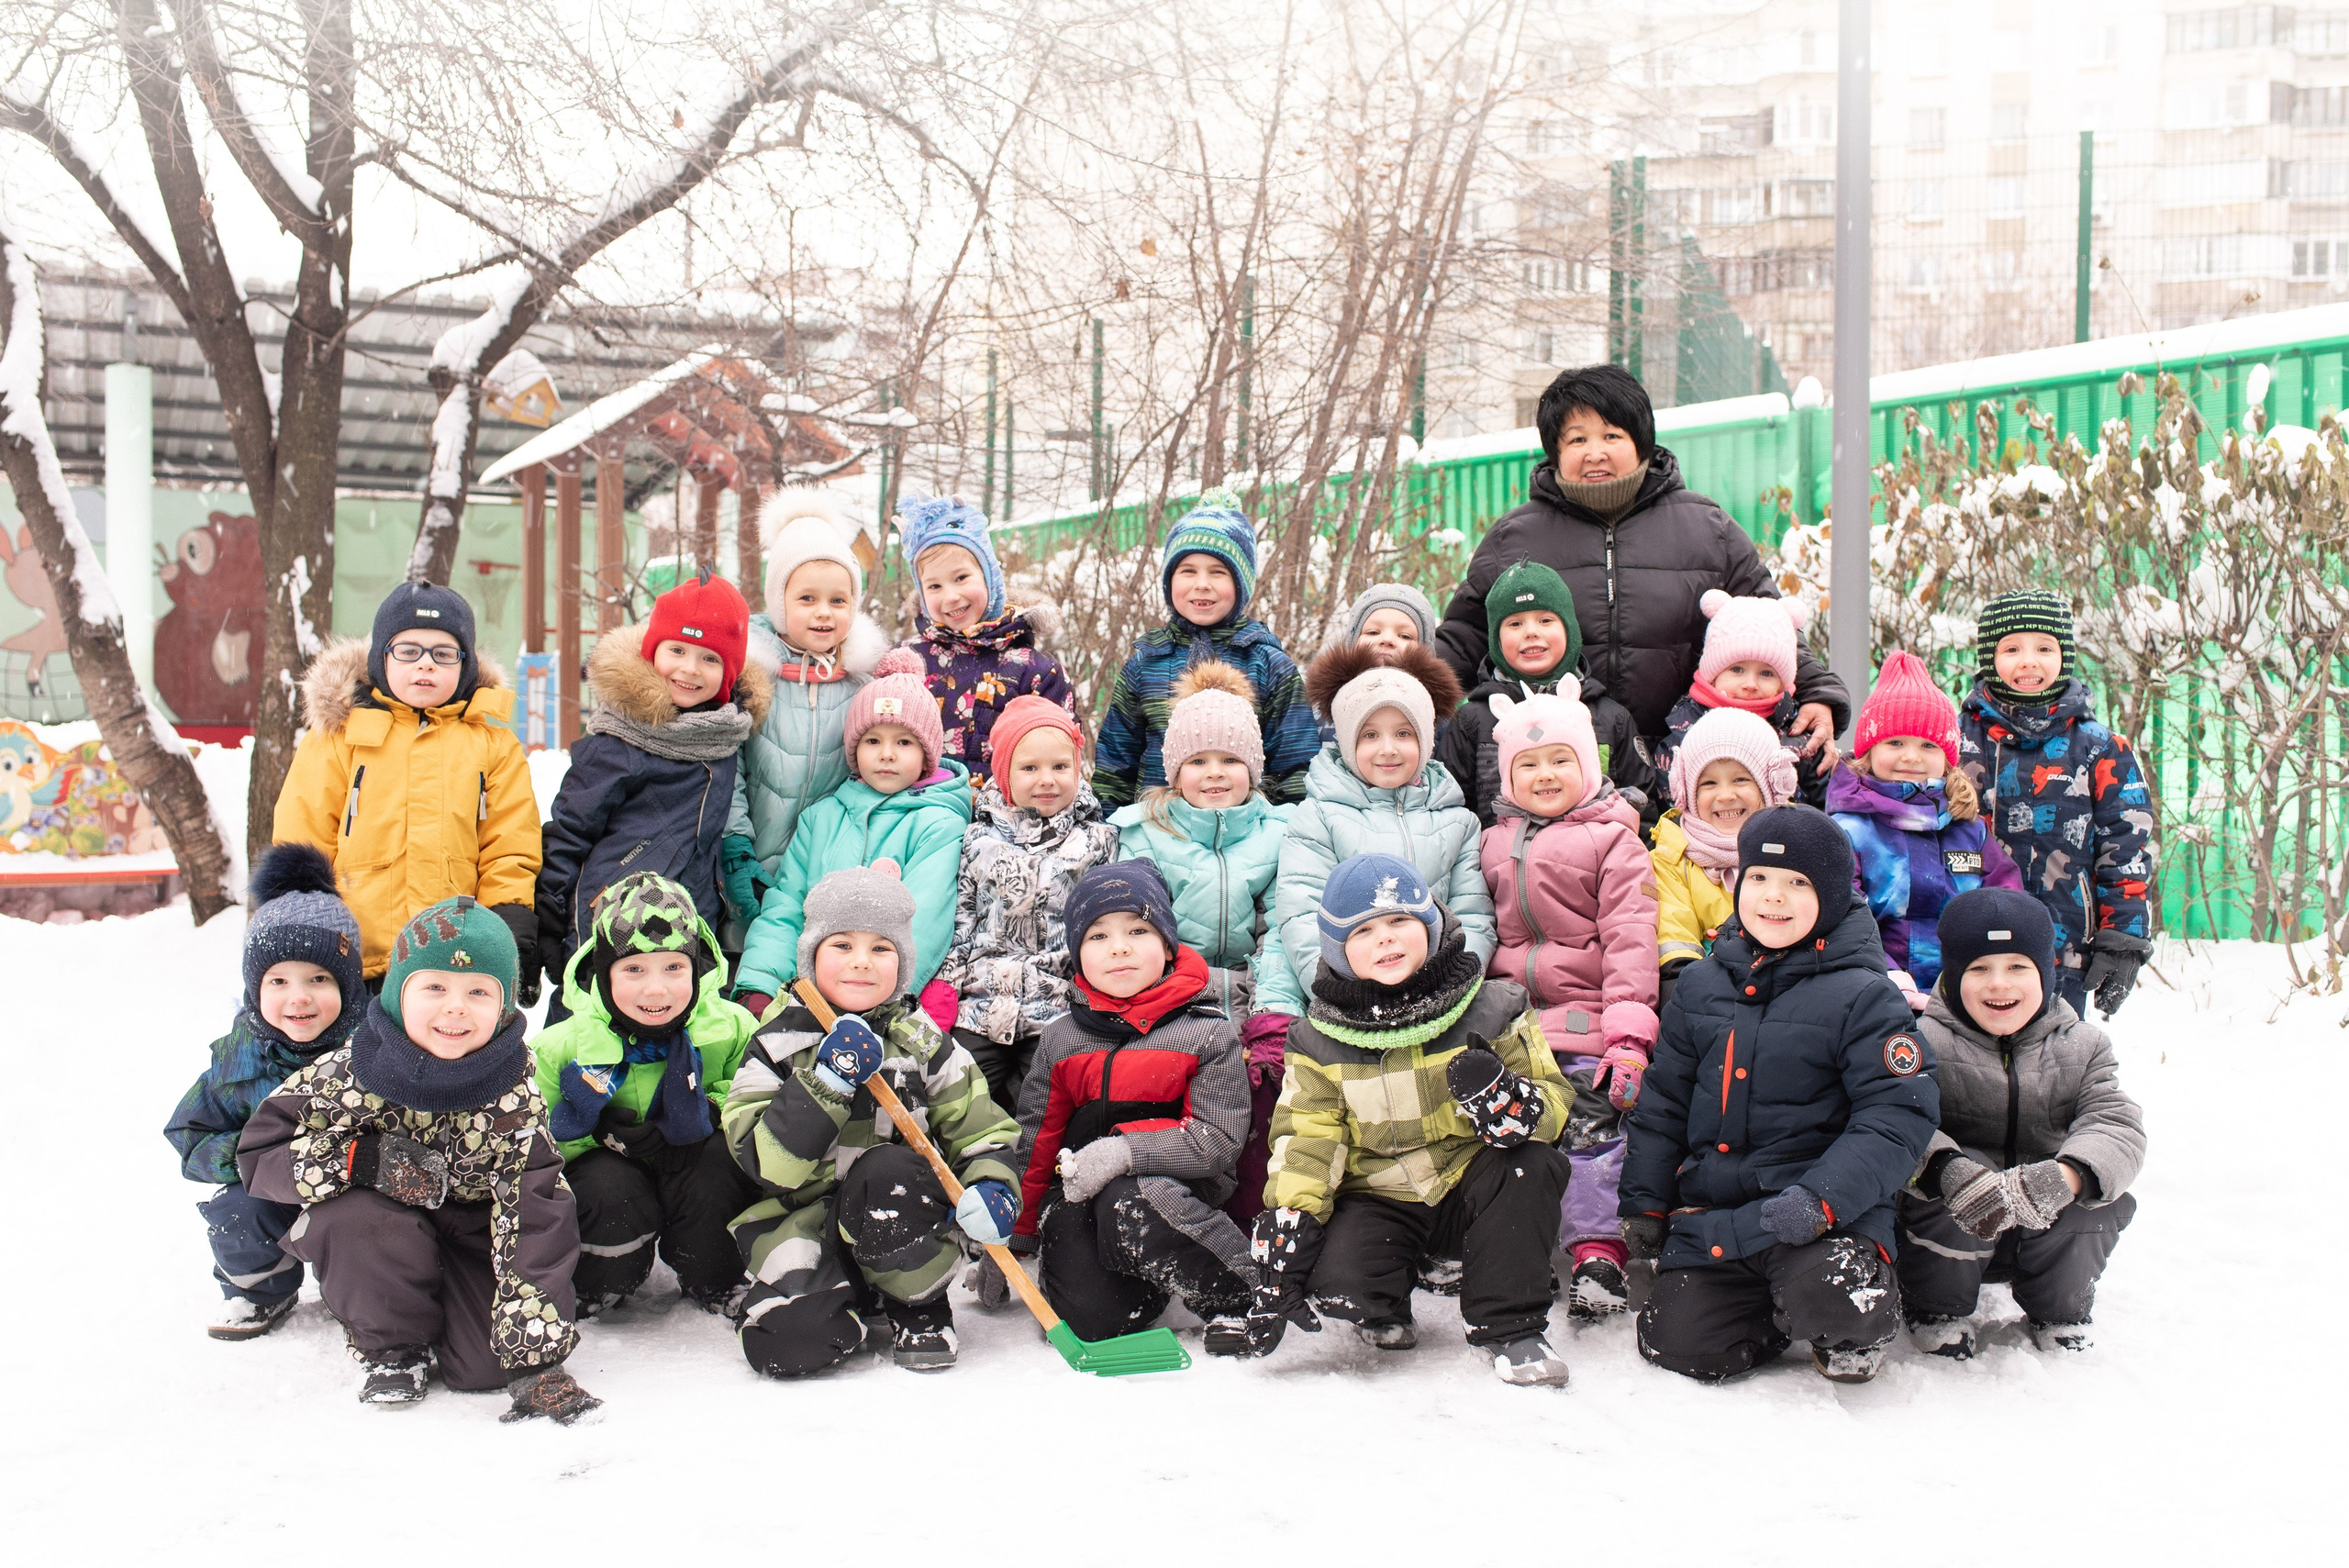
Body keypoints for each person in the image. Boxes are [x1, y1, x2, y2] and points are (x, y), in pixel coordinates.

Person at [237, 896, 598, 1421]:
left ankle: (454, 1319)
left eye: (478, 991)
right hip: (381, 1234)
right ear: (396, 993)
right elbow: (259, 1152)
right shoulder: (350, 1070)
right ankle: (393, 1347)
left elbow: (536, 1216)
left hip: (474, 1237)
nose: (455, 1007)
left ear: (503, 1006)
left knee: (485, 1369)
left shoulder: (515, 1091)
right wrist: (359, 1160)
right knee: (353, 1219)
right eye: (434, 988)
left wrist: (535, 1353)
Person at [1621, 806, 1939, 1385]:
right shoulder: (1699, 986)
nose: (1774, 897)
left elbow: (1896, 1116)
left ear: (1834, 896)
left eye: (1798, 884)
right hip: (1720, 1219)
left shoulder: (1866, 997)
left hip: (1822, 1219)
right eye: (1760, 878)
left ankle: (1846, 1316)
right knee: (1678, 1346)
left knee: (1839, 1298)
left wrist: (1820, 1199)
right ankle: (1773, 1314)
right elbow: (1663, 1103)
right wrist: (1644, 1202)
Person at [1244, 854, 1574, 1385]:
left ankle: (1510, 1326)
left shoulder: (1492, 1007)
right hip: (1381, 1195)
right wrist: (1290, 1220)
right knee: (1341, 1287)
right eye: (1364, 930)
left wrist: (1511, 1105)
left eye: (1400, 921)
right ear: (1338, 950)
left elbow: (1554, 1100)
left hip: (1470, 1186)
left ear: (1431, 924)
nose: (1385, 939)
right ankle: (1385, 1300)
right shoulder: (1317, 1039)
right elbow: (1308, 1140)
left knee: (1529, 1166)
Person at [1431, 362, 1848, 757]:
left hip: (1689, 764)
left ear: (1641, 443)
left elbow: (1768, 621)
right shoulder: (1514, 538)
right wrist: (1398, 688)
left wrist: (1817, 694)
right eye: (1577, 439)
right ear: (1554, 452)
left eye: (1611, 436)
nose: (1595, 452)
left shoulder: (1708, 528)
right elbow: (1464, 636)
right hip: (1550, 771)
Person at [722, 864, 1022, 1374]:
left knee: (889, 1168)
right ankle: (841, 1300)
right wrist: (828, 1082)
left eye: (881, 949)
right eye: (842, 945)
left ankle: (916, 1302)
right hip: (806, 1227)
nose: (861, 963)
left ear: (903, 963)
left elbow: (982, 1129)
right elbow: (767, 1166)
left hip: (902, 1224)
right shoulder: (777, 1043)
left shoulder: (923, 1042)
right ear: (812, 954)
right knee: (786, 1347)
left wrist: (994, 1185)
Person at [1011, 862, 1257, 1355]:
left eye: (1138, 930)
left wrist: (1124, 1154)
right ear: (1078, 956)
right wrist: (1018, 1239)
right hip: (1079, 1192)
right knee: (1087, 1322)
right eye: (1098, 936)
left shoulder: (1205, 1033)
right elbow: (1039, 1142)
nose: (1119, 947)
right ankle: (1140, 1289)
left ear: (1167, 945)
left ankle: (1237, 1292)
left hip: (1173, 1191)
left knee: (1128, 1198)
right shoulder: (1063, 1037)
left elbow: (1219, 1140)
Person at [1899, 889, 2144, 1358]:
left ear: (2046, 973)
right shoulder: (1920, 1041)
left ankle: (2058, 1309)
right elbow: (1898, 1120)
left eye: (2017, 967)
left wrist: (2067, 1177)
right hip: (1951, 1226)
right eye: (1978, 969)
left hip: (2041, 1219)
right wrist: (1947, 1170)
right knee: (1946, 1172)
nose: (1999, 984)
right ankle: (1935, 1307)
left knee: (2097, 1192)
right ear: (1952, 975)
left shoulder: (2085, 1045)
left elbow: (2115, 1122)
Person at [1478, 688, 1658, 1321]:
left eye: (1560, 759)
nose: (1544, 774)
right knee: (1499, 1136)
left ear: (1587, 764)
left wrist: (1628, 1036)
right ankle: (1497, 1254)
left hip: (1588, 1024)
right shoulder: (1493, 843)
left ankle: (1597, 1252)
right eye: (1528, 765)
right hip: (1512, 1028)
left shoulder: (1613, 841)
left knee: (1590, 1130)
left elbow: (1632, 942)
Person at [273, 582, 542, 998]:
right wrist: (305, 927)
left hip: (452, 960)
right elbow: (303, 833)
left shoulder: (493, 746)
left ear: (465, 664)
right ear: (382, 658)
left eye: (443, 654)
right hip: (355, 958)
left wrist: (509, 934)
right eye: (409, 651)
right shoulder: (340, 737)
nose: (426, 666)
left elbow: (509, 848)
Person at [537, 572, 765, 1021]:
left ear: (729, 672)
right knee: (585, 1047)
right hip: (606, 923)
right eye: (676, 650)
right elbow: (569, 830)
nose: (689, 668)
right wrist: (549, 918)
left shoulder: (722, 737)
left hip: (686, 929)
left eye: (709, 658)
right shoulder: (620, 738)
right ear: (652, 650)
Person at [1109, 661, 1291, 1220]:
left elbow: (1281, 927)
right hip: (1169, 994)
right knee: (1171, 1081)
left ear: (1253, 769)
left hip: (1248, 990)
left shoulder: (1279, 833)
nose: (1215, 774)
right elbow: (1137, 926)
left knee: (1258, 1088)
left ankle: (1251, 1207)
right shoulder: (1144, 831)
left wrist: (1270, 1007)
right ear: (1175, 769)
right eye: (1198, 761)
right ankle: (1166, 1198)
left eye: (1231, 761)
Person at [165, 843, 369, 1340]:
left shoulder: (375, 1053)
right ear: (255, 990)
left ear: (348, 984)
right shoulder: (240, 1059)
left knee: (368, 1221)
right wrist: (256, 1158)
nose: (298, 997)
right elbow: (189, 1132)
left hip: (352, 1188)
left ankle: (364, 1296)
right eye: (278, 980)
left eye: (318, 978)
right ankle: (258, 1289)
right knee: (239, 1208)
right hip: (268, 1192)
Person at [531, 873, 758, 1317]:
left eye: (674, 967)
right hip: (612, 1178)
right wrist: (594, 1134)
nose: (656, 989)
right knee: (606, 1186)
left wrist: (710, 1110)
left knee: (720, 1161)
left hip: (691, 1170)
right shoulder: (560, 1047)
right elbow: (530, 1140)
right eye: (633, 969)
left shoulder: (731, 1028)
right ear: (603, 970)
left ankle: (713, 1274)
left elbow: (761, 1096)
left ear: (697, 967)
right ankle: (601, 1279)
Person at [731, 647, 975, 1018]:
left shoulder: (937, 824)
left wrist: (880, 1001)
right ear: (854, 748)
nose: (887, 754)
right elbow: (787, 906)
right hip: (807, 998)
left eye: (904, 742)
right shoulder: (822, 819)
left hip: (880, 1005)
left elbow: (926, 922)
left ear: (928, 754)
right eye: (873, 740)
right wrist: (760, 983)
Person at [1257, 642, 1494, 1018]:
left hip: (1439, 992)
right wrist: (1345, 991)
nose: (1388, 749)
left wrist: (1453, 984)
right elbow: (1300, 915)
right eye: (1370, 735)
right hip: (1350, 997)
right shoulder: (1318, 817)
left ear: (1427, 740)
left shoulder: (1457, 820)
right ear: (1348, 742)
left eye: (1403, 734)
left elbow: (1474, 915)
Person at [1954, 590, 2156, 1018]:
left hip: (2063, 950)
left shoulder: (2100, 747)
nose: (2029, 661)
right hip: (1970, 948)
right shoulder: (1955, 742)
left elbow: (2127, 843)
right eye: (2012, 649)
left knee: (2056, 1066)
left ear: (2065, 656)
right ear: (1990, 658)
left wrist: (2124, 937)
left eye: (2045, 648)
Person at [720, 494, 891, 950]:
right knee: (749, 966)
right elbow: (728, 767)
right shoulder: (750, 677)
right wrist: (736, 848)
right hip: (751, 862)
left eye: (838, 599)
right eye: (807, 598)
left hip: (827, 873)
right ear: (779, 602)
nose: (823, 612)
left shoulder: (864, 683)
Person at [939, 695, 1119, 1111]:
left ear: (1078, 768)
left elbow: (1102, 926)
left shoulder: (1096, 841)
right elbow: (962, 920)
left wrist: (1097, 1000)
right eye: (1029, 768)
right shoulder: (978, 840)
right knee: (956, 1094)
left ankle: (1036, 1172)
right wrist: (946, 990)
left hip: (1057, 1005)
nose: (1047, 780)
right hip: (980, 1002)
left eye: (1060, 767)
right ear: (1005, 775)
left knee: (1046, 1099)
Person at [1092, 488, 1319, 807]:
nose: (1202, 584)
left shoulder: (1267, 663)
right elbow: (1115, 765)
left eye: (1218, 572)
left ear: (1240, 585)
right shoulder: (1145, 664)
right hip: (1158, 832)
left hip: (1246, 836)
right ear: (1169, 581)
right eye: (1188, 571)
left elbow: (1296, 764)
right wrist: (1112, 829)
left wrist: (1286, 831)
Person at [1829, 651, 2021, 1002]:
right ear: (1868, 751)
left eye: (1928, 745)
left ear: (1948, 759)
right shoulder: (1849, 831)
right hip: (1872, 991)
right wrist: (1886, 974)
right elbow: (1842, 915)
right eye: (1895, 742)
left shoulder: (1968, 829)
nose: (1911, 757)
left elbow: (2005, 902)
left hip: (1963, 995)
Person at [1435, 559, 1644, 828]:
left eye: (1546, 620)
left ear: (1569, 628)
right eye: (1515, 624)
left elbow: (1642, 808)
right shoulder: (1472, 720)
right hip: (1500, 865)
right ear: (1496, 639)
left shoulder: (1609, 718)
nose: (1531, 632)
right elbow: (1450, 813)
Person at [894, 493, 1078, 773]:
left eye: (961, 578)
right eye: (934, 586)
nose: (951, 596)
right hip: (923, 810)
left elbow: (1060, 761)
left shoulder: (1037, 673)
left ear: (989, 577)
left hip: (1008, 813)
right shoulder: (907, 663)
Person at [1651, 706, 1798, 993]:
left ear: (1769, 785)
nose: (1726, 795)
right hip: (1708, 997)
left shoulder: (1797, 846)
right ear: (1687, 793)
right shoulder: (1671, 859)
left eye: (1741, 779)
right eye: (1708, 783)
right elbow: (1675, 942)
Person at [1652, 589, 1833, 806]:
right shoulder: (1681, 737)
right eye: (1737, 669)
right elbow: (1669, 811)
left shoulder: (1802, 741)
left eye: (1766, 673)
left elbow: (1824, 810)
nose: (1750, 684)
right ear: (1714, 675)